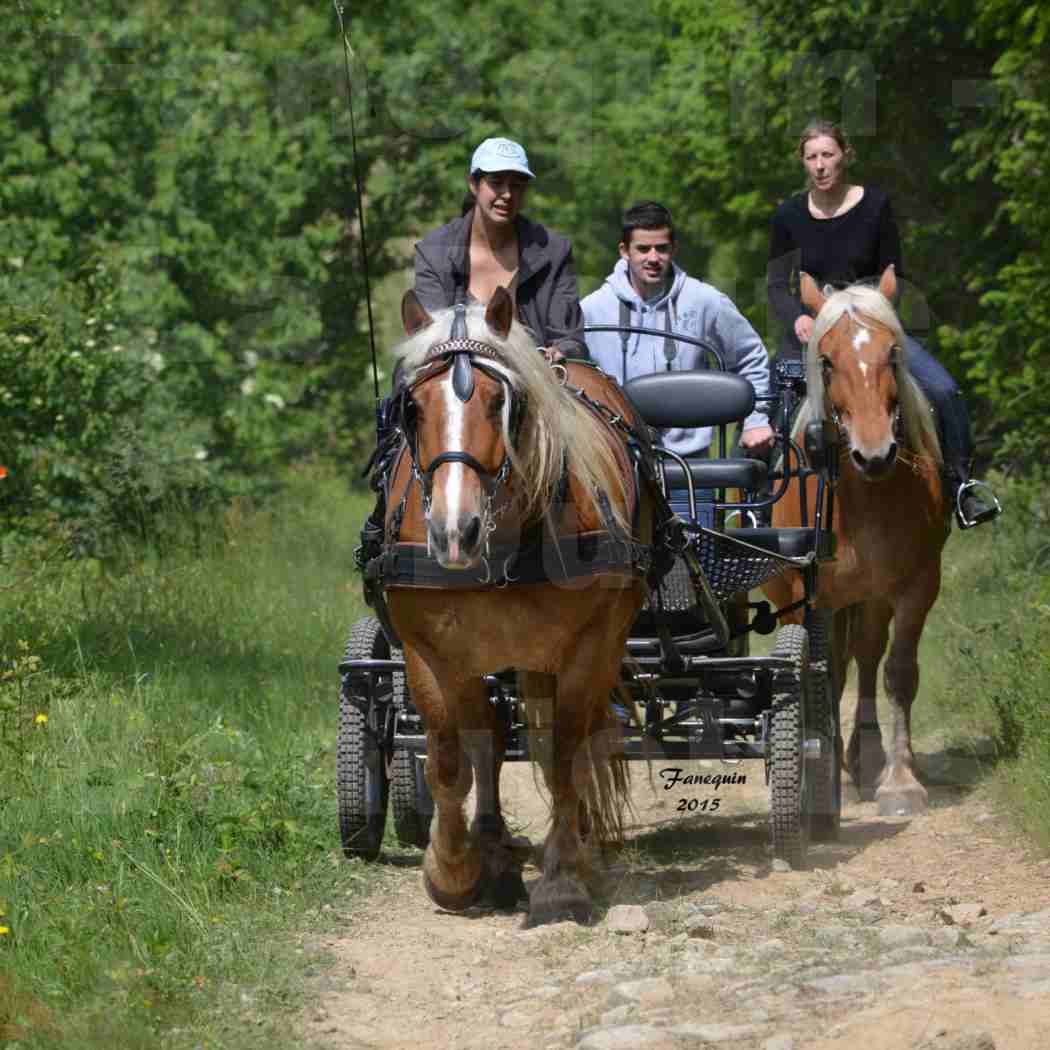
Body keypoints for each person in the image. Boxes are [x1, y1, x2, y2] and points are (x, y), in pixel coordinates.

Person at [357, 137, 585, 569]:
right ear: (474, 184)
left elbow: (569, 331)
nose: (506, 194)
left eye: (517, 184)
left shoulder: (552, 249)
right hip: (457, 379)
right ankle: (383, 517)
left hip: (529, 382)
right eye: (495, 183)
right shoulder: (435, 248)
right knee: (401, 413)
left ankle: (581, 527)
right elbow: (428, 335)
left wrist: (556, 353)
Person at [767, 119, 1000, 529]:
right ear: (803, 163)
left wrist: (867, 311)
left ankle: (962, 487)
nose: (820, 165)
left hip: (871, 322)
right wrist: (799, 318)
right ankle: (754, 501)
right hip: (816, 327)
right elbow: (775, 284)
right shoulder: (787, 215)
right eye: (812, 157)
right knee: (768, 404)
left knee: (944, 390)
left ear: (845, 156)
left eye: (828, 155)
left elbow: (893, 272)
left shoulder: (875, 206)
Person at [581, 200, 774, 526]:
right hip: (616, 468)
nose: (653, 258)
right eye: (643, 249)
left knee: (695, 570)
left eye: (662, 248)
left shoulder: (705, 301)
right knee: (619, 572)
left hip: (689, 468)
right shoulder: (591, 310)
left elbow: (751, 356)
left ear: (674, 249)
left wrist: (756, 419)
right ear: (624, 251)